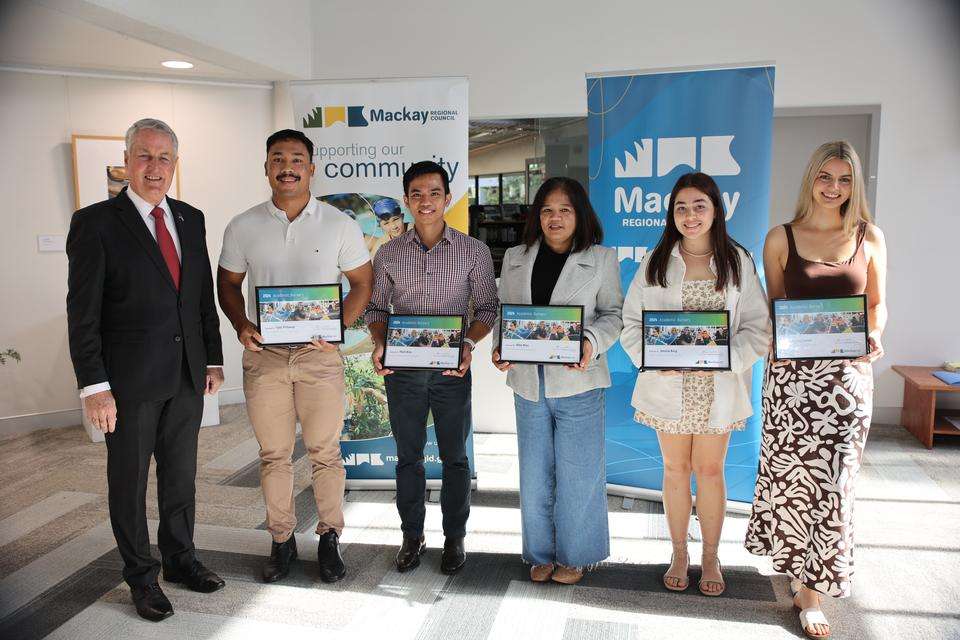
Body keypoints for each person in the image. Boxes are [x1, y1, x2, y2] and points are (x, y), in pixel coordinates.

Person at [66, 118, 225, 622]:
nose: (154, 167)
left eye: (164, 158)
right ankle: (141, 576)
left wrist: (213, 357)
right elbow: (83, 314)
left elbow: (201, 296)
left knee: (180, 476)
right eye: (144, 156)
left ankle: (180, 560)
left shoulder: (191, 218)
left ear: (174, 165)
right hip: (128, 383)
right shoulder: (95, 223)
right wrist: (95, 387)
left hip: (185, 376)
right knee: (129, 481)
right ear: (126, 161)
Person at [217, 129, 373, 584]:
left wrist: (337, 327)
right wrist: (241, 324)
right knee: (274, 455)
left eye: (297, 159)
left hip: (320, 358)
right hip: (264, 358)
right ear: (266, 166)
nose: (288, 167)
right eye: (278, 158)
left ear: (311, 166)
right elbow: (227, 284)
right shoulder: (242, 225)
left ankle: (329, 537)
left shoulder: (339, 224)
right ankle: (281, 538)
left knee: (326, 453)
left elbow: (362, 283)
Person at [745, 141, 887, 639]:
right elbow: (776, 310)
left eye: (844, 179)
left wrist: (873, 334)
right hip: (790, 382)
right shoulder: (780, 238)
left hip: (846, 384)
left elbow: (876, 307)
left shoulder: (870, 237)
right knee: (793, 482)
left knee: (835, 484)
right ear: (810, 179)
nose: (833, 188)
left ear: (855, 185)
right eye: (825, 177)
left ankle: (816, 582)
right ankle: (802, 585)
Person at [620, 172, 771, 597]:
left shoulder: (738, 262)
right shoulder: (656, 261)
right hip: (667, 387)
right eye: (681, 207)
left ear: (716, 210)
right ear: (671, 213)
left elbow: (758, 328)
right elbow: (632, 324)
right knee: (674, 469)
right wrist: (652, 360)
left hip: (717, 389)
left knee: (709, 471)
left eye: (699, 206)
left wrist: (727, 361)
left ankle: (710, 555)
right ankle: (678, 553)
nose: (690, 215)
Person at [365, 161, 498, 574]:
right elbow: (374, 308)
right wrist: (381, 342)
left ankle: (455, 537)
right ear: (406, 201)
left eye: (434, 193)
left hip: (451, 371)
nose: (426, 202)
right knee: (408, 458)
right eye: (417, 194)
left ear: (447, 197)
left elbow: (488, 308)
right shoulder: (388, 253)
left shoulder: (473, 250)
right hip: (402, 373)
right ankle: (412, 535)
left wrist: (469, 343)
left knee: (456, 459)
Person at [492, 177, 624, 585]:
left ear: (579, 214)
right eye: (547, 209)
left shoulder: (601, 259)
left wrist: (589, 341)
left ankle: (575, 555)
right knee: (534, 472)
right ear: (537, 215)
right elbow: (503, 312)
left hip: (579, 382)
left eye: (565, 209)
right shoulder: (515, 256)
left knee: (579, 472)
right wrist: (500, 346)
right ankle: (540, 553)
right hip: (529, 382)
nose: (555, 217)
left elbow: (613, 315)